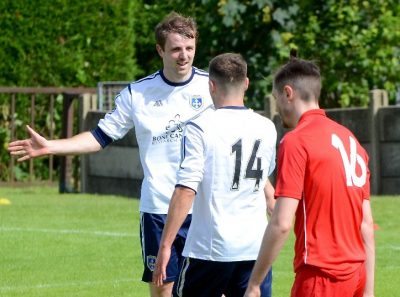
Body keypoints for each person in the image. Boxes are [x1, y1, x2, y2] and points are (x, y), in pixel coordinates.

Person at [7, 12, 213, 297]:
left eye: (189, 48)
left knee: (210, 287)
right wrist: (52, 146)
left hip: (205, 206)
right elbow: (99, 136)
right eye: (176, 49)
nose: (184, 55)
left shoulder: (212, 86)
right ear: (160, 50)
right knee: (162, 286)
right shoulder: (137, 94)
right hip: (158, 208)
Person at [244, 57, 375, 297]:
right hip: (357, 273)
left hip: (320, 275)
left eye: (276, 99)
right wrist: (369, 291)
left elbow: (282, 222)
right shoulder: (351, 140)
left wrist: (254, 283)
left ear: (288, 93)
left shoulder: (296, 141)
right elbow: (365, 223)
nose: (277, 107)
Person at [152, 53, 277, 297]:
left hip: (210, 250)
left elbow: (186, 189)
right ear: (247, 83)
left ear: (211, 85)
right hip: (255, 248)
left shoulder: (200, 126)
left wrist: (166, 244)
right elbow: (264, 182)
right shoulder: (267, 127)